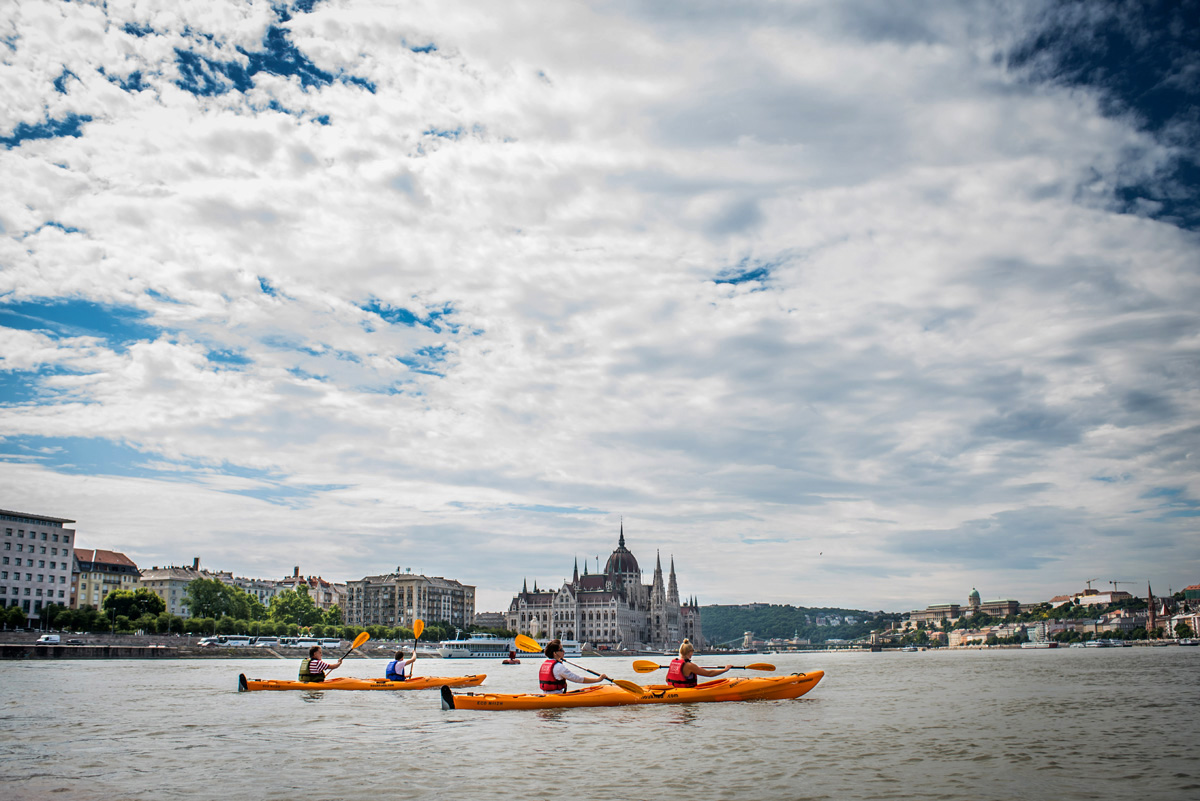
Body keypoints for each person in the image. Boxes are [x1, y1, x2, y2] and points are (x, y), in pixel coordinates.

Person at [539, 638, 608, 693]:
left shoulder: (545, 664)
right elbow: (577, 679)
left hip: (546, 694)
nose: (564, 651)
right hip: (557, 695)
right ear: (555, 653)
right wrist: (598, 679)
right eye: (561, 649)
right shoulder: (559, 667)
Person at [665, 639, 731, 687]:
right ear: (690, 652)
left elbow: (667, 679)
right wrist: (725, 670)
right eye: (692, 651)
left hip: (674, 690)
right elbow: (709, 673)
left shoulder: (674, 662)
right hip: (686, 692)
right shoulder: (689, 665)